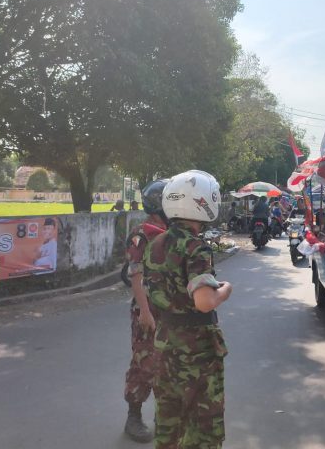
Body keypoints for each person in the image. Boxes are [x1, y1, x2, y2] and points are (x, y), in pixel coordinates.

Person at [143, 170, 232, 449]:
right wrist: (225, 289)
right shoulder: (195, 248)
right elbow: (204, 301)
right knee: (204, 428)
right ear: (203, 202)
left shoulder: (154, 244)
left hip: (165, 342)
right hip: (197, 351)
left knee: (168, 423)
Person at [122, 179, 169, 443]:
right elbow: (135, 275)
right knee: (144, 363)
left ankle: (163, 416)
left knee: (167, 364)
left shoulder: (170, 230)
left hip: (168, 311)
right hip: (148, 310)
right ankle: (133, 416)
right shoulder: (144, 232)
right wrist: (144, 311)